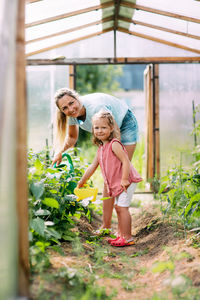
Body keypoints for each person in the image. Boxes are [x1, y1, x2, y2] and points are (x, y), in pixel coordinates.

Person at [52, 87, 139, 232]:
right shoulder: (72, 114)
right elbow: (72, 138)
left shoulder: (96, 108)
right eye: (65, 108)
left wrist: (106, 155)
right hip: (108, 131)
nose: (71, 109)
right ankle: (106, 225)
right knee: (108, 178)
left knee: (116, 173)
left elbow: (114, 135)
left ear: (77, 98)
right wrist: (59, 152)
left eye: (72, 103)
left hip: (124, 123)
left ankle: (122, 224)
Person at [77, 110, 142, 246]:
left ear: (111, 128)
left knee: (122, 208)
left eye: (104, 127)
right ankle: (121, 235)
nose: (100, 131)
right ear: (93, 129)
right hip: (119, 183)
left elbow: (125, 161)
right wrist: (82, 181)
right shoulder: (101, 148)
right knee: (119, 208)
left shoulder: (114, 144)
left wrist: (124, 179)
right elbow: (93, 166)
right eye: (97, 128)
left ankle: (128, 238)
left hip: (127, 181)